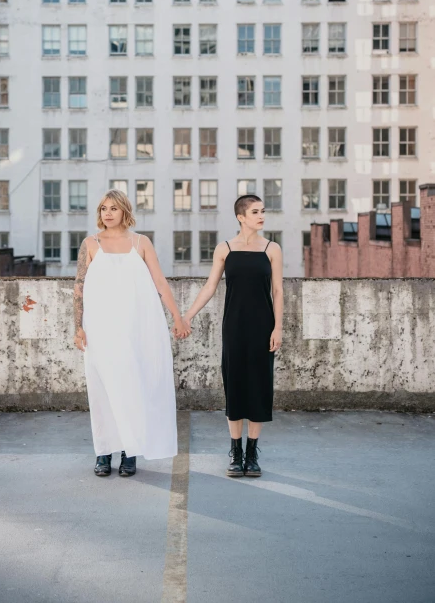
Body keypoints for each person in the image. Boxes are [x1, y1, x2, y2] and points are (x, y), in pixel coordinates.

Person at [73, 189, 189, 478]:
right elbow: (79, 287)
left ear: (125, 210)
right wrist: (78, 327)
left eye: (113, 208)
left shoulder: (141, 242)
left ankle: (129, 450)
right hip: (100, 330)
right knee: (102, 391)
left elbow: (159, 282)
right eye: (103, 208)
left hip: (135, 329)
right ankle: (103, 452)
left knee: (132, 388)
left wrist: (177, 317)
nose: (107, 213)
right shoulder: (90, 243)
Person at [180, 195, 283, 477]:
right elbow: (210, 286)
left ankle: (252, 453)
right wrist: (188, 315)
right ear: (241, 216)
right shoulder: (224, 249)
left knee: (260, 387)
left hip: (263, 327)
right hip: (234, 327)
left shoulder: (272, 249)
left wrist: (278, 327)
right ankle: (235, 452)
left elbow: (278, 291)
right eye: (255, 211)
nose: (261, 216)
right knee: (235, 386)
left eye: (263, 211)